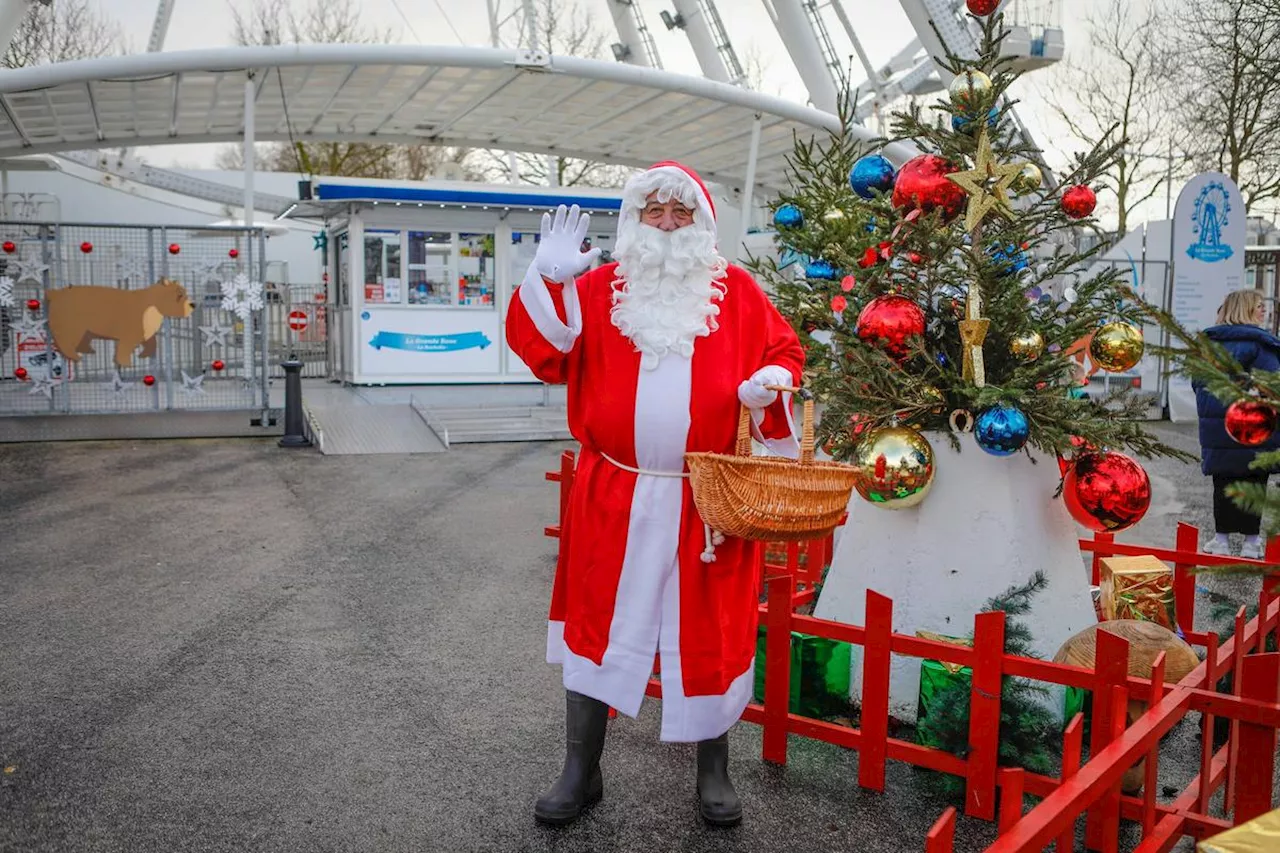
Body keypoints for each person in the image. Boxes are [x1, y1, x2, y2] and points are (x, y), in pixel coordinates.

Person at [506, 161, 804, 828]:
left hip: (708, 500)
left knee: (712, 631)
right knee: (593, 625)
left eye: (680, 212)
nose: (668, 223)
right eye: (654, 211)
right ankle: (581, 771)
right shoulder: (597, 289)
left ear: (702, 221)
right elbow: (544, 352)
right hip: (614, 491)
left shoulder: (738, 291)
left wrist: (768, 385)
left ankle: (715, 771)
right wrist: (549, 279)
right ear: (635, 219)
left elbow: (786, 352)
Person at [1194, 289, 1280, 559]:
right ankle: (1251, 543)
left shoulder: (1210, 344)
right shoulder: (1261, 344)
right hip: (1255, 426)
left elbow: (1198, 381)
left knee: (1223, 481)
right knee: (1254, 481)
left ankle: (1221, 539)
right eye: (1258, 306)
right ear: (1245, 309)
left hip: (1218, 427)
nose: (1264, 310)